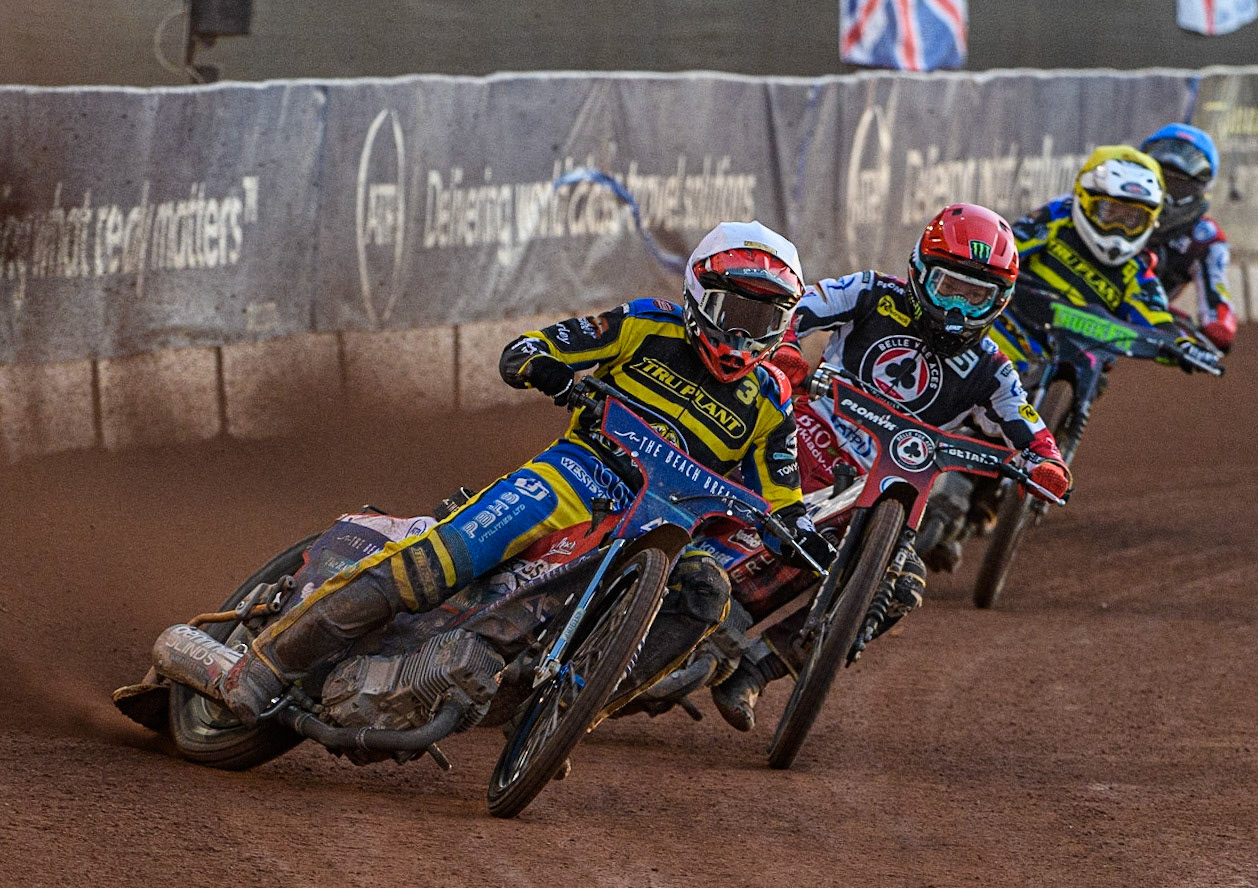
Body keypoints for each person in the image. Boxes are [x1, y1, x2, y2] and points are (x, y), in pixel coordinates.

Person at [217, 220, 837, 726]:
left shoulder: (769, 401)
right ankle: (269, 663)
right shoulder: (647, 324)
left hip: (670, 528)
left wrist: (800, 531)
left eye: (763, 321)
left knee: (707, 595)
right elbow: (529, 348)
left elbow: (780, 494)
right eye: (733, 311)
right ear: (701, 297)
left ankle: (566, 713)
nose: (742, 334)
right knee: (458, 552)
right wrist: (545, 368)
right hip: (580, 477)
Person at [706, 204, 1072, 732]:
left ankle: (755, 672)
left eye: (976, 296)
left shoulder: (993, 367)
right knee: (720, 449)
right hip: (806, 432)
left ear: (1001, 302)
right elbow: (796, 308)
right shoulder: (872, 291)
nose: (958, 307)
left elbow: (1031, 427)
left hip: (881, 488)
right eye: (948, 286)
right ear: (920, 271)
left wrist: (1048, 462)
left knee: (899, 588)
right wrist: (785, 349)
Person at [989, 144, 1221, 377]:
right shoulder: (1058, 215)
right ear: (1087, 200)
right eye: (1111, 212)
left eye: (1132, 218)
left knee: (1093, 374)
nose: (1118, 228)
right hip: (1004, 332)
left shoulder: (1137, 268)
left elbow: (1157, 318)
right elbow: (1004, 251)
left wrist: (1183, 346)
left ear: (1150, 221)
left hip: (1067, 359)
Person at [1140, 123, 1237, 353]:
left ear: (1201, 189)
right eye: (1160, 180)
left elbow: (1217, 293)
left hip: (1139, 313)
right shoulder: (1113, 199)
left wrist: (1217, 326)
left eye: (1178, 186)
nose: (1165, 193)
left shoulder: (1205, 237)